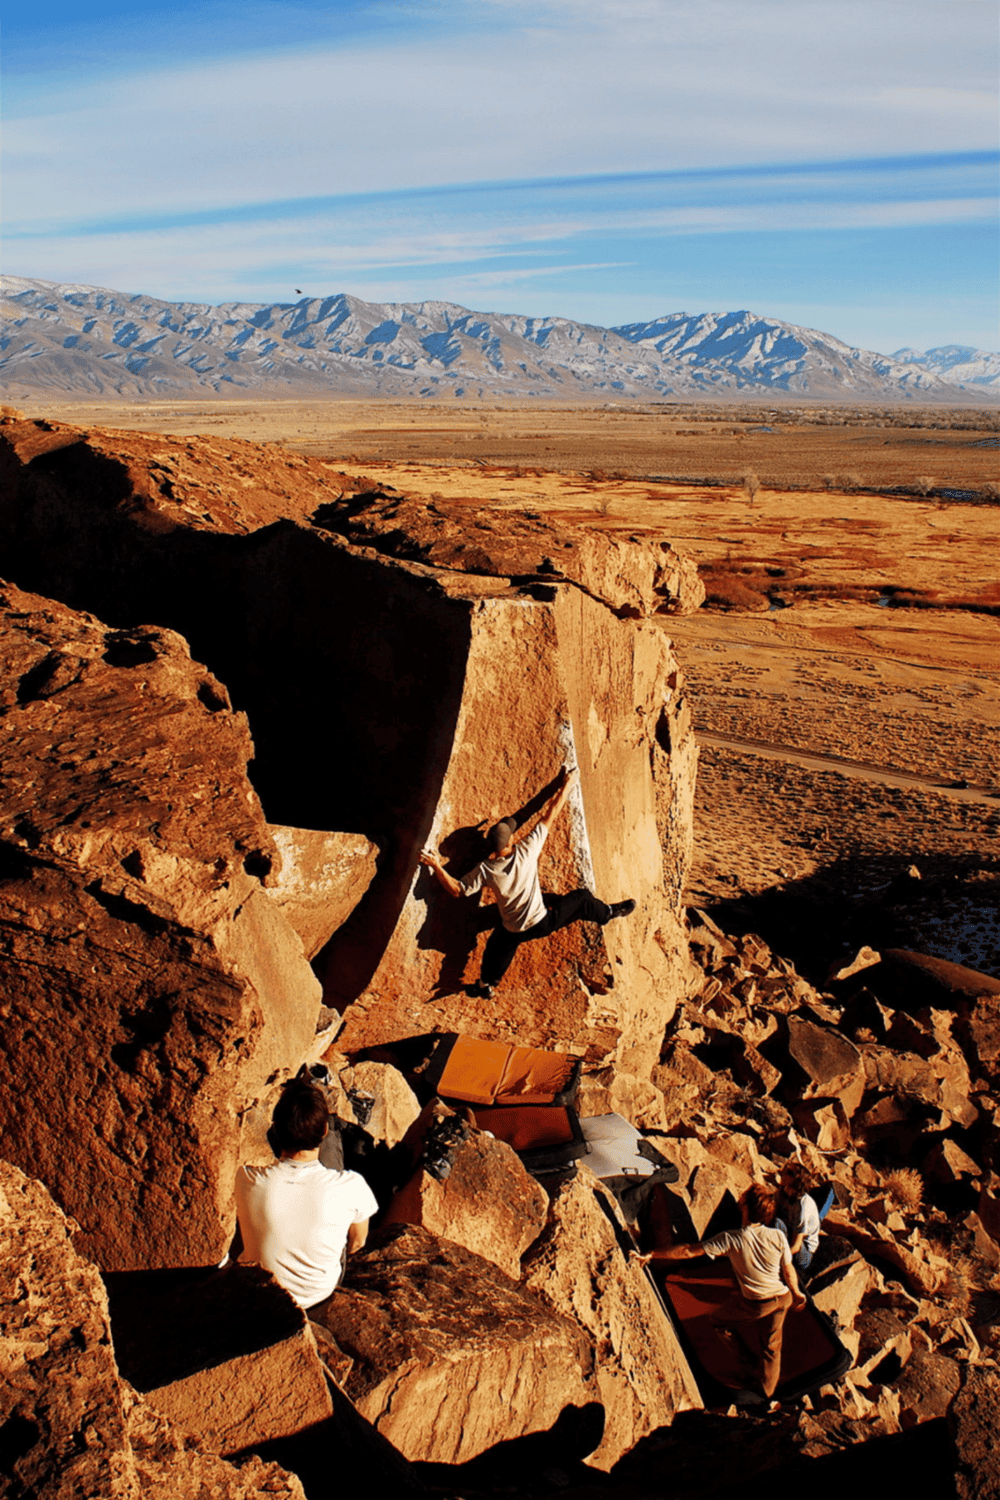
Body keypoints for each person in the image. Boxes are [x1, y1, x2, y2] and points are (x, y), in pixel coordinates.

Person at [419, 766, 635, 997]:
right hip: (541, 922)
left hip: (513, 926)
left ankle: (486, 984)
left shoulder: (486, 870)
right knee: (581, 897)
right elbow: (549, 814)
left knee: (499, 944)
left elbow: (457, 890)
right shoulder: (526, 851)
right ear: (510, 844)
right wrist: (566, 785)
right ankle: (608, 913)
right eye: (512, 836)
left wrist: (436, 866)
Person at [641, 1183, 806, 1400]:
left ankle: (748, 1368)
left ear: (746, 1207)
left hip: (757, 1303)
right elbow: (787, 1269)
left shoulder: (732, 1238)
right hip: (781, 1297)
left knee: (720, 1321)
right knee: (771, 1347)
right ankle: (767, 1394)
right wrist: (796, 1292)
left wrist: (653, 1254)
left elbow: (689, 1251)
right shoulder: (777, 1236)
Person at [235, 1075, 378, 1311]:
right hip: (318, 1294)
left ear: (276, 1129)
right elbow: (358, 1242)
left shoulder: (246, 1179)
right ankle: (324, 1106)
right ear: (322, 1130)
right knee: (332, 1152)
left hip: (259, 1292)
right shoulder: (351, 1185)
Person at [776, 1160, 835, 1272]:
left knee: (777, 1225)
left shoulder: (803, 1207)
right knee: (776, 1222)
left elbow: (796, 1246)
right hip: (790, 1231)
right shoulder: (783, 1193)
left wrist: (776, 1259)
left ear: (796, 1187)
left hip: (803, 1252)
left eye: (786, 1184)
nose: (783, 1186)